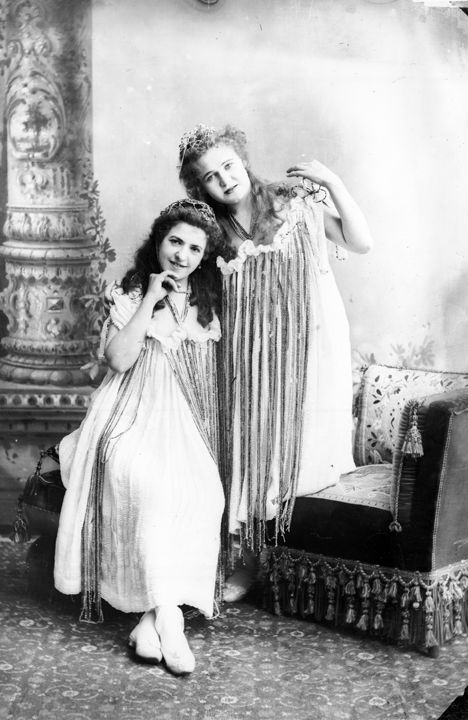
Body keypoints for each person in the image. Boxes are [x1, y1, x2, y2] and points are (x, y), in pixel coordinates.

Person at [178, 124, 373, 599]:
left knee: (300, 453)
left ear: (242, 161)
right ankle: (246, 561)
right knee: (249, 451)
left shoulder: (294, 202)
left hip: (309, 347)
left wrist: (333, 183)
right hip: (250, 354)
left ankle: (294, 564)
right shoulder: (211, 233)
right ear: (200, 187)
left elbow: (360, 242)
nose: (225, 180)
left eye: (228, 166)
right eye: (210, 177)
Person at [54, 198, 229, 675]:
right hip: (128, 412)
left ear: (204, 256)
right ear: (158, 241)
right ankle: (171, 620)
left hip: (183, 417)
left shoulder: (207, 302)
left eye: (194, 248)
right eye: (175, 241)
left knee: (205, 493)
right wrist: (150, 299)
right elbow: (118, 360)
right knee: (147, 487)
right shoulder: (130, 293)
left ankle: (153, 622)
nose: (182, 255)